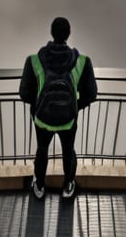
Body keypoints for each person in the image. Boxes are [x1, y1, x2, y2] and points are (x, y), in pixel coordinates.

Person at [19, 16, 97, 200]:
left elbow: (23, 93)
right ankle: (68, 185)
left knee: (42, 149)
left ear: (51, 34)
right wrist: (76, 107)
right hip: (68, 119)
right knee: (68, 150)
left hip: (42, 119)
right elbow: (91, 94)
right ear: (69, 35)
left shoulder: (34, 60)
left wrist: (39, 104)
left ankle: (39, 186)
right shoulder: (82, 61)